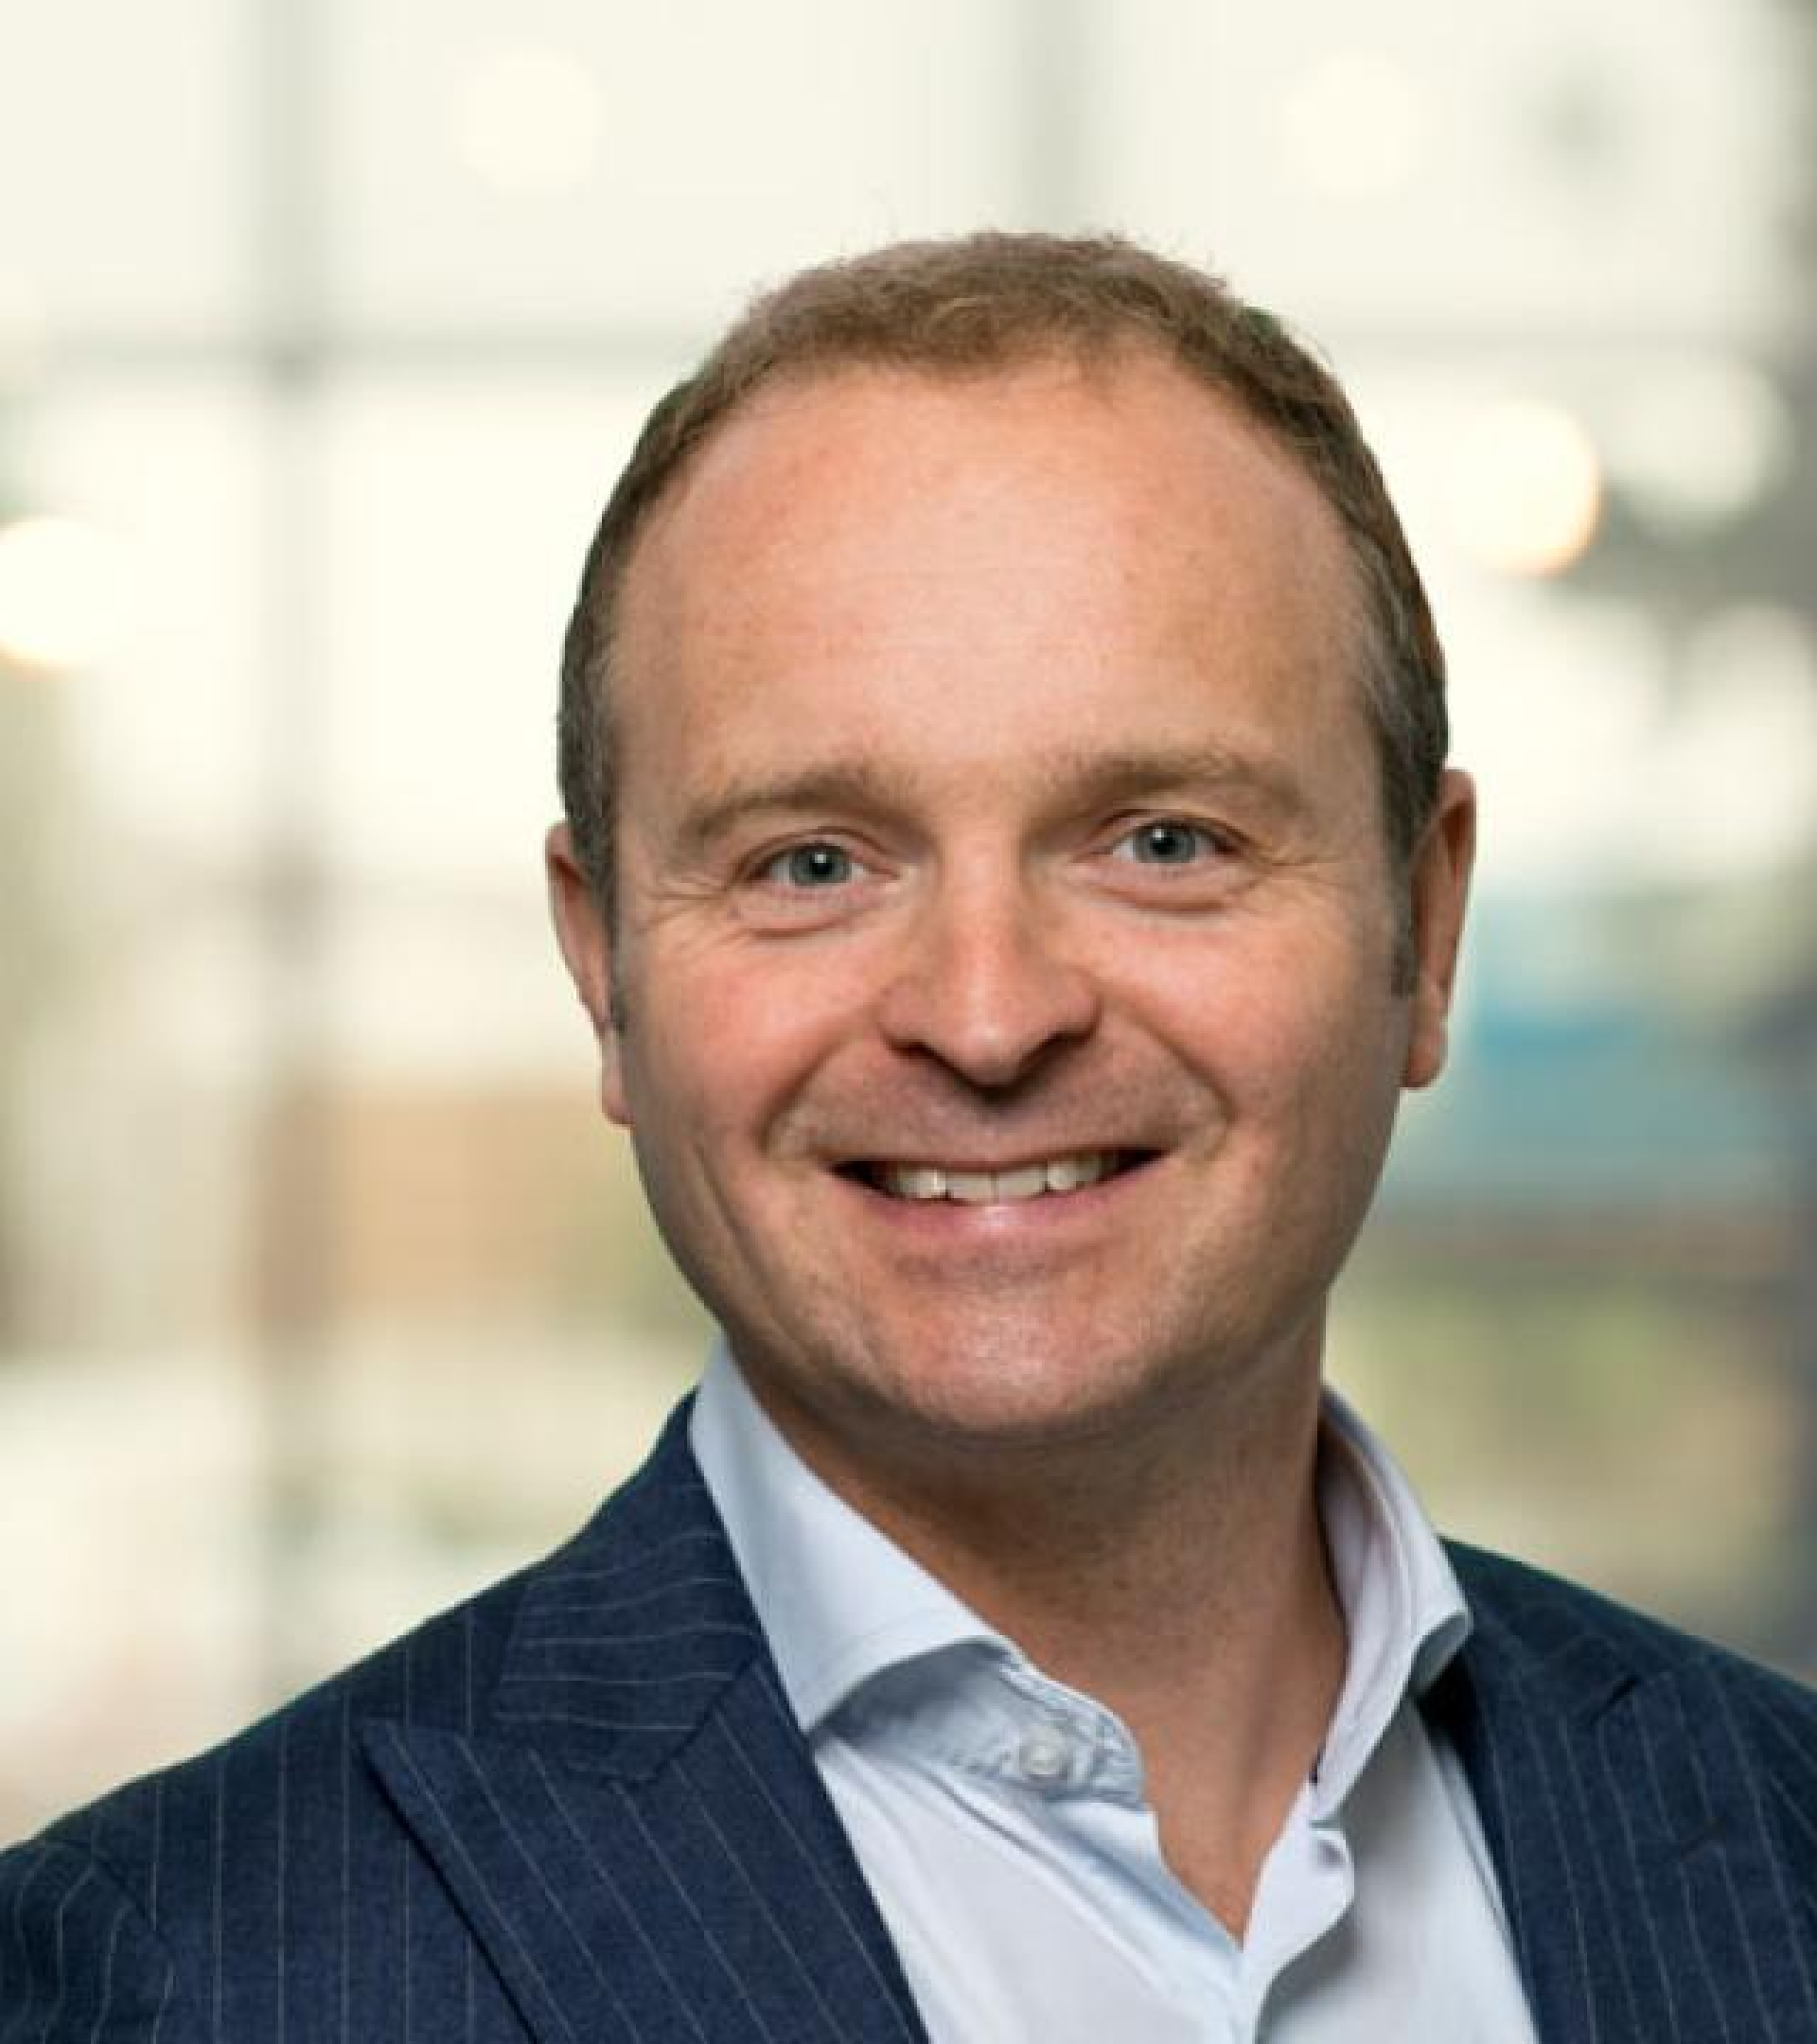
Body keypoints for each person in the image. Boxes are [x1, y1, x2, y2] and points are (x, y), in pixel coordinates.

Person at [3, 232, 1813, 2044]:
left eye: (1162, 841)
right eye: (813, 863)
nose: (987, 1013)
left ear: (1425, 924)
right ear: (605, 971)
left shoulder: (1784, 1835)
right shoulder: (171, 1976)